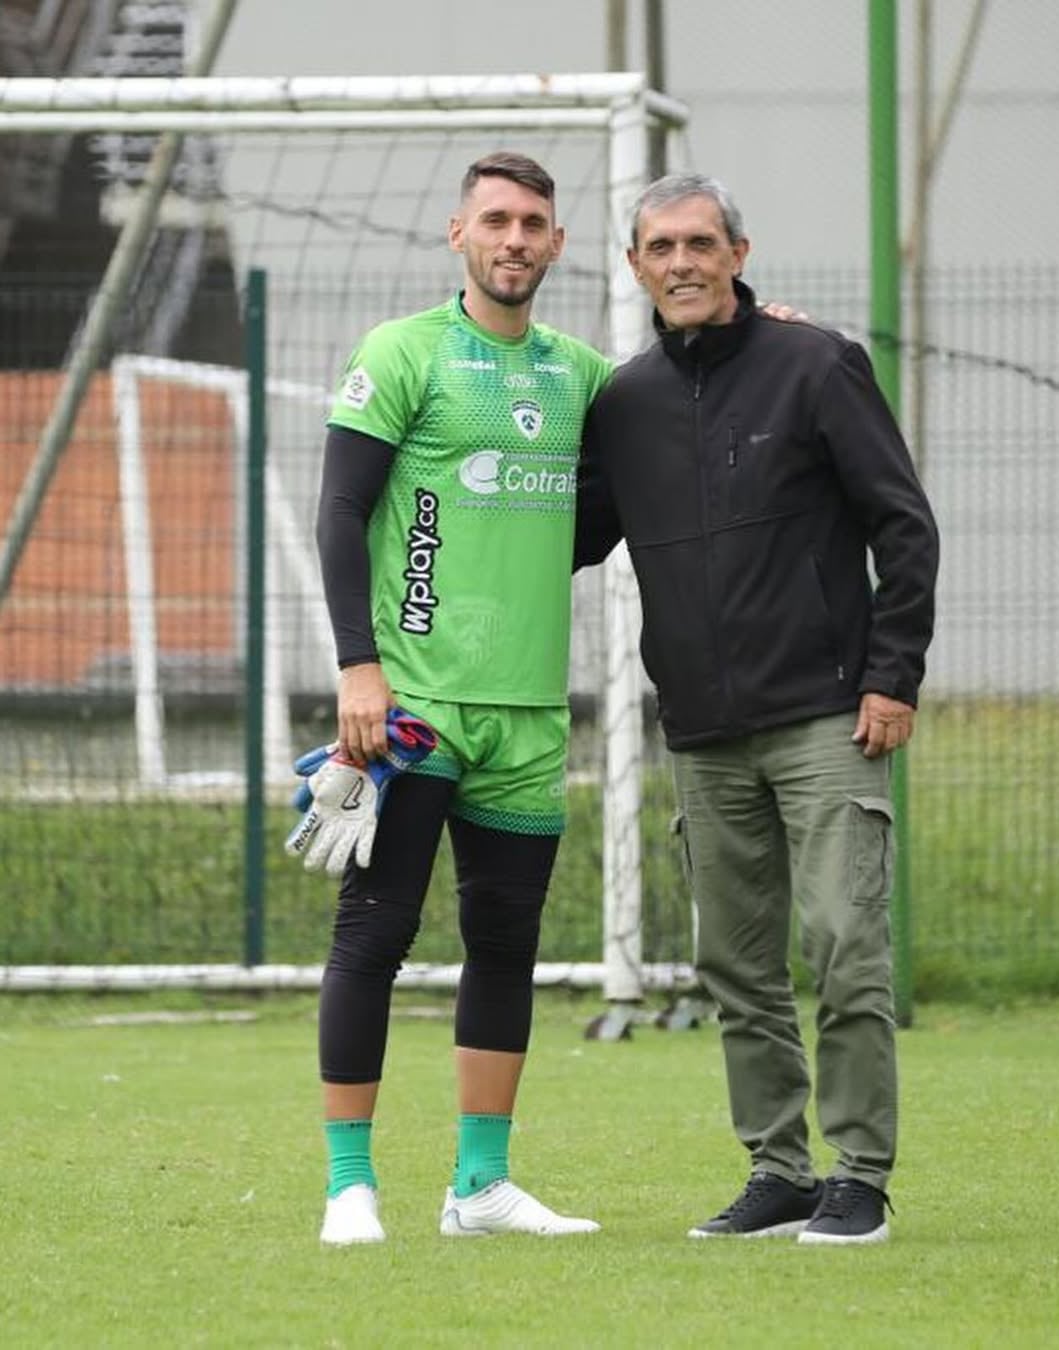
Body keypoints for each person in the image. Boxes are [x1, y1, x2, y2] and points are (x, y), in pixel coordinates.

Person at [574, 173, 939, 1245]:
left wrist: (892, 673)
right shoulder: (624, 403)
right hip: (701, 731)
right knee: (736, 966)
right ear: (635, 266)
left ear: (739, 251)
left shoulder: (817, 364)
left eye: (700, 242)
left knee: (842, 946)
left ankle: (860, 1176)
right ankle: (779, 1172)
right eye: (659, 247)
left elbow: (903, 527)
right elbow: (569, 536)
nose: (681, 262)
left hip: (829, 716)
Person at [311, 152, 614, 1245]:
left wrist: (758, 324)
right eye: (497, 218)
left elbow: (674, 420)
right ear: (459, 234)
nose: (516, 238)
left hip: (529, 717)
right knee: (375, 934)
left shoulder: (583, 374)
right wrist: (360, 668)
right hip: (415, 709)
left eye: (535, 220)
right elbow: (340, 513)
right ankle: (352, 1187)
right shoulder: (404, 354)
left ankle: (479, 1187)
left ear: (558, 244)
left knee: (506, 945)